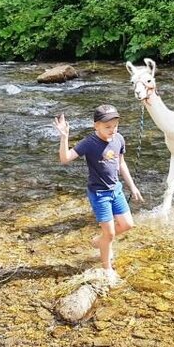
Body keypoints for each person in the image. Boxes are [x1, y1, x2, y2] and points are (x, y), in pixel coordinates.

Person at [54, 104, 143, 285]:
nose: (112, 130)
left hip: (116, 190)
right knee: (110, 234)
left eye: (115, 126)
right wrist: (64, 137)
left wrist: (132, 187)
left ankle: (99, 241)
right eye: (107, 127)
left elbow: (121, 163)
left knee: (128, 225)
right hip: (99, 194)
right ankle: (107, 269)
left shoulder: (119, 139)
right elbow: (65, 159)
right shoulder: (89, 143)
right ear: (96, 126)